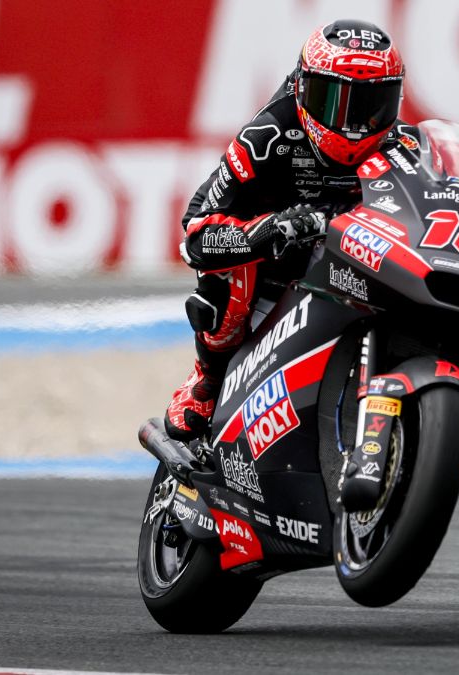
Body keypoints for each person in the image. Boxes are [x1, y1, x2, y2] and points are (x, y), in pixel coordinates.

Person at [164, 19, 405, 440]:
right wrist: (271, 230)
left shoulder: (401, 143)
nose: (352, 123)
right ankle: (207, 379)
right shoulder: (267, 134)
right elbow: (196, 238)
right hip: (273, 255)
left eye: (370, 104)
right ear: (302, 87)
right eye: (333, 100)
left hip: (351, 254)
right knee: (227, 278)